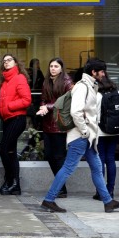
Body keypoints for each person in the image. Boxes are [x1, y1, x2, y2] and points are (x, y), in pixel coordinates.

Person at [39, 58, 119, 213]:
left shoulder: (90, 85)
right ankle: (49, 199)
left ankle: (108, 202)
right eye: (101, 71)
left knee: (96, 167)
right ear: (93, 72)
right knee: (68, 167)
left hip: (86, 136)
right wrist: (85, 131)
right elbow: (76, 111)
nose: (103, 74)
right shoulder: (82, 87)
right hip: (81, 136)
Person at [36, 57, 73, 198]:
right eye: (51, 66)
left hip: (59, 123)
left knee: (58, 156)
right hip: (47, 122)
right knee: (49, 156)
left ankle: (61, 188)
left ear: (61, 68)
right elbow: (43, 98)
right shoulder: (47, 81)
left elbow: (66, 102)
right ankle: (60, 186)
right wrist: (43, 106)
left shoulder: (67, 82)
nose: (53, 68)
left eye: (56, 66)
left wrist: (48, 107)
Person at [0, 53, 32, 195]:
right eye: (4, 61)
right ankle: (15, 185)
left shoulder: (19, 78)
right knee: (10, 152)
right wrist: (1, 108)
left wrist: (9, 106)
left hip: (17, 119)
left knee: (3, 149)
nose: (6, 62)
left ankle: (10, 180)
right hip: (7, 119)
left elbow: (26, 100)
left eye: (9, 60)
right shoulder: (5, 81)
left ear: (16, 63)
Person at [94, 75, 119, 200]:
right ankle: (110, 190)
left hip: (100, 131)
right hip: (115, 130)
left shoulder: (97, 95)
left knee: (100, 159)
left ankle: (101, 192)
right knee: (111, 159)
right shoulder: (117, 92)